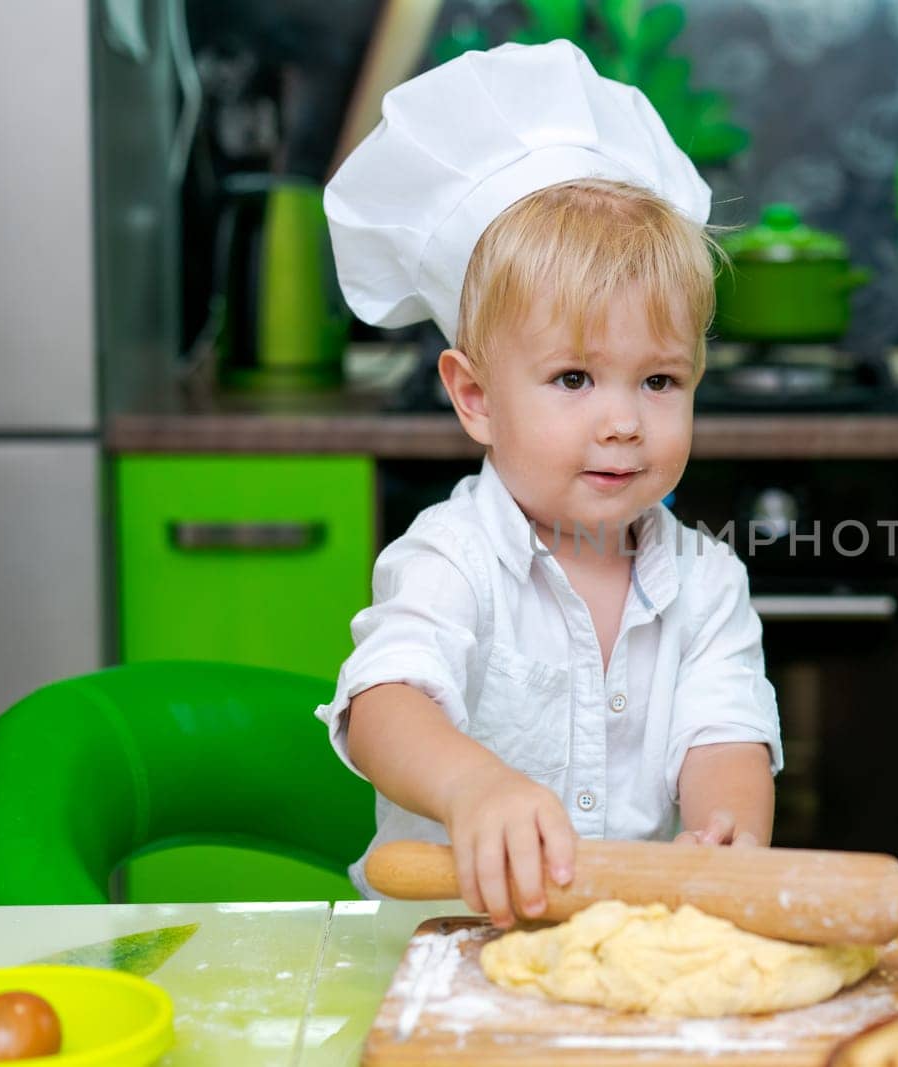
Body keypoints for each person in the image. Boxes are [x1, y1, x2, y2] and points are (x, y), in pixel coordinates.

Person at [315, 40, 782, 925]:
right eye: (574, 379)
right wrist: (474, 786)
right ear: (476, 396)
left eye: (659, 380)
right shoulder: (451, 559)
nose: (622, 421)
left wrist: (731, 835)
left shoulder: (708, 583)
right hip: (447, 955)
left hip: (619, 953)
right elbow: (383, 705)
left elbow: (726, 737)